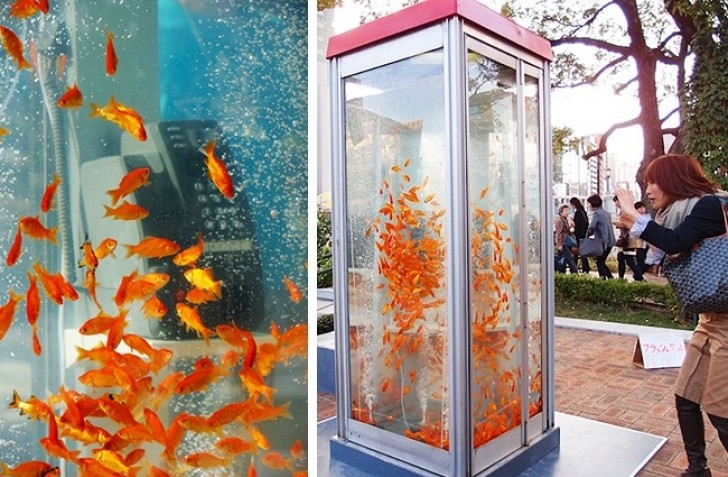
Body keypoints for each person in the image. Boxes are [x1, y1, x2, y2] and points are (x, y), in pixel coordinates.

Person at [615, 154, 728, 477]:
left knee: (721, 410)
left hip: (727, 321)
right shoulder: (678, 213)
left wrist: (634, 217)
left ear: (674, 180)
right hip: (708, 319)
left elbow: (676, 242)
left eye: (653, 181)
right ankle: (697, 469)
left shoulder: (708, 206)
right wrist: (636, 222)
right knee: (686, 396)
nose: (648, 190)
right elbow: (667, 240)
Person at [613, 197, 645, 281]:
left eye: (616, 202)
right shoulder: (625, 210)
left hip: (629, 239)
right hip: (627, 239)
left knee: (629, 260)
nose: (615, 204)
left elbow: (628, 224)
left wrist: (616, 223)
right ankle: (622, 278)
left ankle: (639, 277)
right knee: (622, 258)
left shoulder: (626, 211)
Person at [586, 194, 616, 279]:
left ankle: (603, 279)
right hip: (610, 241)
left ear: (593, 203)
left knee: (600, 261)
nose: (588, 205)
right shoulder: (606, 213)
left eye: (589, 203)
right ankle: (610, 278)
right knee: (601, 261)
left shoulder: (597, 213)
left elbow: (591, 226)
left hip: (602, 242)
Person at [569, 197, 591, 273]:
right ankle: (582, 268)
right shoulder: (583, 212)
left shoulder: (578, 213)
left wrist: (572, 224)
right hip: (584, 235)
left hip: (579, 236)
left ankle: (577, 269)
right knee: (581, 253)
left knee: (578, 252)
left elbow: (577, 225)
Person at [554, 204, 578, 274]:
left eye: (568, 210)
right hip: (563, 243)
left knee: (563, 258)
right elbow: (558, 233)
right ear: (561, 212)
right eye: (565, 211)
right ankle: (575, 273)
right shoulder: (560, 221)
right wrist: (559, 244)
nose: (567, 212)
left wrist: (570, 224)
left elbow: (570, 229)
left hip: (567, 242)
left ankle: (561, 272)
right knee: (569, 258)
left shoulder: (566, 220)